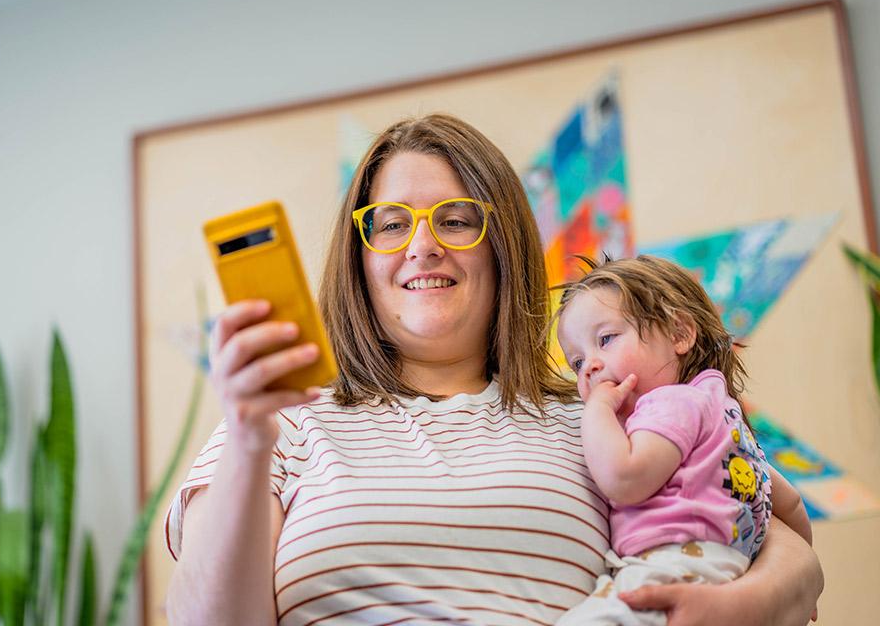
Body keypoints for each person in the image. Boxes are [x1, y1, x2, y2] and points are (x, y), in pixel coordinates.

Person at [164, 114, 822, 626]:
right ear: (359, 259)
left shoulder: (607, 413)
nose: (423, 244)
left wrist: (758, 602)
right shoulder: (277, 425)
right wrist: (249, 441)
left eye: (455, 220)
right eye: (390, 224)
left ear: (503, 245)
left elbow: (775, 528)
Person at [552, 255, 813, 625]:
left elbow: (624, 478)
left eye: (606, 339)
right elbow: (792, 502)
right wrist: (804, 585)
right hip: (723, 567)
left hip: (675, 565)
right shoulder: (721, 414)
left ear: (679, 335)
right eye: (576, 362)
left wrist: (596, 412)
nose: (590, 366)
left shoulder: (668, 403)